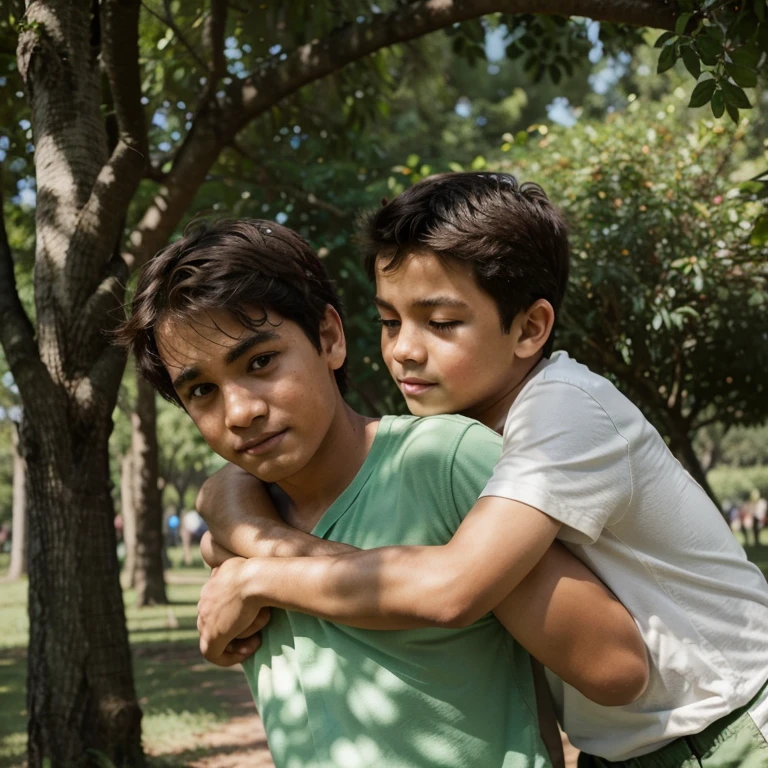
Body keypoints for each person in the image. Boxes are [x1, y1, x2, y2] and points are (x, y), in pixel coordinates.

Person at [197, 175, 768, 768]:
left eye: (440, 323)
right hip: (625, 748)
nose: (404, 351)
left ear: (529, 329)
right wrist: (234, 497)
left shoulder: (565, 409)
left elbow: (452, 588)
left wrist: (256, 571)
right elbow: (238, 486)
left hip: (729, 728)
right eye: (390, 321)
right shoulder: (457, 434)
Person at [116, 218, 649, 768]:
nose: (241, 411)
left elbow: (612, 664)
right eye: (202, 390)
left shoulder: (439, 461)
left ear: (329, 337)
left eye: (260, 362)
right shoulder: (244, 518)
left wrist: (260, 571)